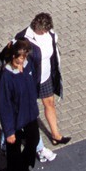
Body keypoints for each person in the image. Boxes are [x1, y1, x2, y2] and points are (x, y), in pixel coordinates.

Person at [0, 38, 40, 171]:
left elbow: (34, 80)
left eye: (24, 58)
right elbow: (4, 105)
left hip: (29, 113)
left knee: (33, 140)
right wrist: (9, 131)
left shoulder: (28, 64)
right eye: (18, 60)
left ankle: (23, 168)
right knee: (13, 150)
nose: (21, 63)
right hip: (14, 118)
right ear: (12, 56)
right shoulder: (6, 77)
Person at [22, 12, 69, 145]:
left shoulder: (51, 34)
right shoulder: (24, 38)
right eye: (43, 30)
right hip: (30, 80)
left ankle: (56, 135)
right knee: (27, 109)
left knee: (50, 103)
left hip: (45, 76)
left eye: (47, 30)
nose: (45, 32)